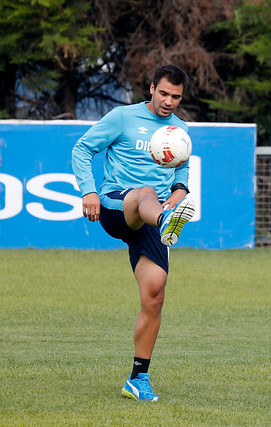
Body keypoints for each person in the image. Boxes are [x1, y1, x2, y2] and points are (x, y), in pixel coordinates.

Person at [71, 64, 196, 401]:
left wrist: (179, 194)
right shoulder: (122, 117)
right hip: (117, 205)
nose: (169, 101)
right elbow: (82, 149)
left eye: (176, 97)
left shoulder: (180, 131)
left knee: (155, 294)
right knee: (144, 193)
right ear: (152, 87)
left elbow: (182, 172)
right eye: (164, 93)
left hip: (155, 215)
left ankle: (137, 378)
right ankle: (166, 221)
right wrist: (88, 191)